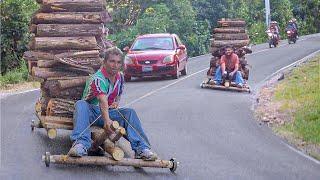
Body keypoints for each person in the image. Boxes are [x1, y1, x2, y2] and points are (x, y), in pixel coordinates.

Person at [68, 47, 158, 161]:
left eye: (118, 62)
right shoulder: (98, 78)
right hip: (92, 112)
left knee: (130, 112)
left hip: (109, 112)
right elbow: (102, 101)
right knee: (80, 104)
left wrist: (116, 102)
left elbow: (118, 93)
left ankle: (142, 149)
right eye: (112, 61)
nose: (115, 65)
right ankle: (80, 145)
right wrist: (107, 121)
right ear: (105, 62)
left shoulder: (120, 77)